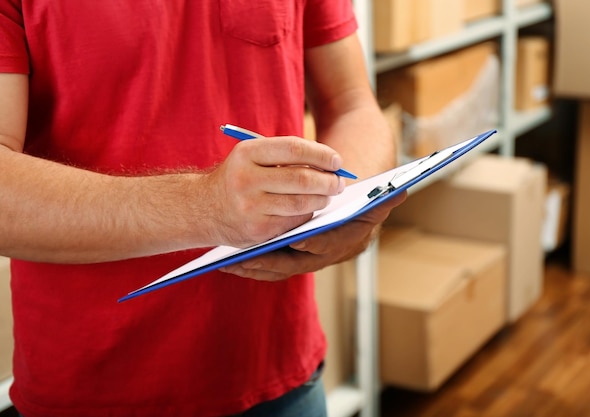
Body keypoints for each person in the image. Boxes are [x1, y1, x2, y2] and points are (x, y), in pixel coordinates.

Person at [0, 1, 405, 416]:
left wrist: (352, 206)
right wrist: (205, 207)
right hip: (92, 390)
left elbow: (353, 103)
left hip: (281, 374)